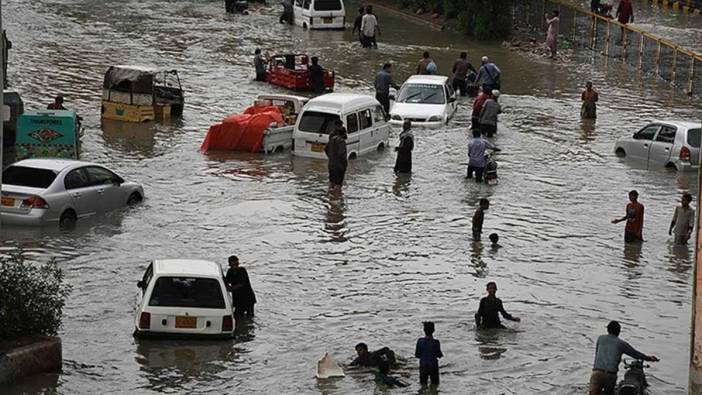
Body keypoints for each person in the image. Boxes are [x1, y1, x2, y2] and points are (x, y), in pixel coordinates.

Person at [588, 320, 659, 395]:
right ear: (618, 332)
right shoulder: (621, 344)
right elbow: (635, 354)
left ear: (607, 329)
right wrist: (649, 358)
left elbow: (597, 354)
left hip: (596, 373)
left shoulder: (600, 338)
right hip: (610, 375)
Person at [415, 321, 443, 387]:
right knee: (435, 385)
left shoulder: (420, 341)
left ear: (424, 330)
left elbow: (417, 355)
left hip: (423, 366)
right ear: (434, 330)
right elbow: (439, 355)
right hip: (433, 366)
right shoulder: (436, 342)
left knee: (423, 385)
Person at [324, 120, 348, 192]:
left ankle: (330, 198)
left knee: (331, 183)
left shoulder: (331, 138)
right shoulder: (341, 141)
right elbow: (341, 154)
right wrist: (344, 164)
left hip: (331, 164)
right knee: (338, 185)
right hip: (339, 165)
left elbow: (326, 149)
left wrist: (331, 157)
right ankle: (337, 198)